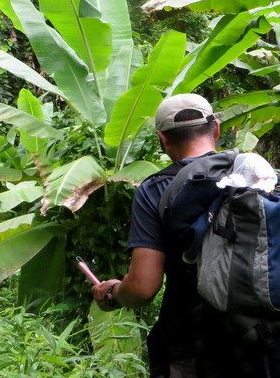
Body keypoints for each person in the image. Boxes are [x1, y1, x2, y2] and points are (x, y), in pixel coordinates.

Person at [92, 93, 222, 378]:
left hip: (191, 346)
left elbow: (142, 288)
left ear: (163, 139)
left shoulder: (157, 189)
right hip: (270, 341)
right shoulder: (262, 178)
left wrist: (113, 292)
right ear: (216, 129)